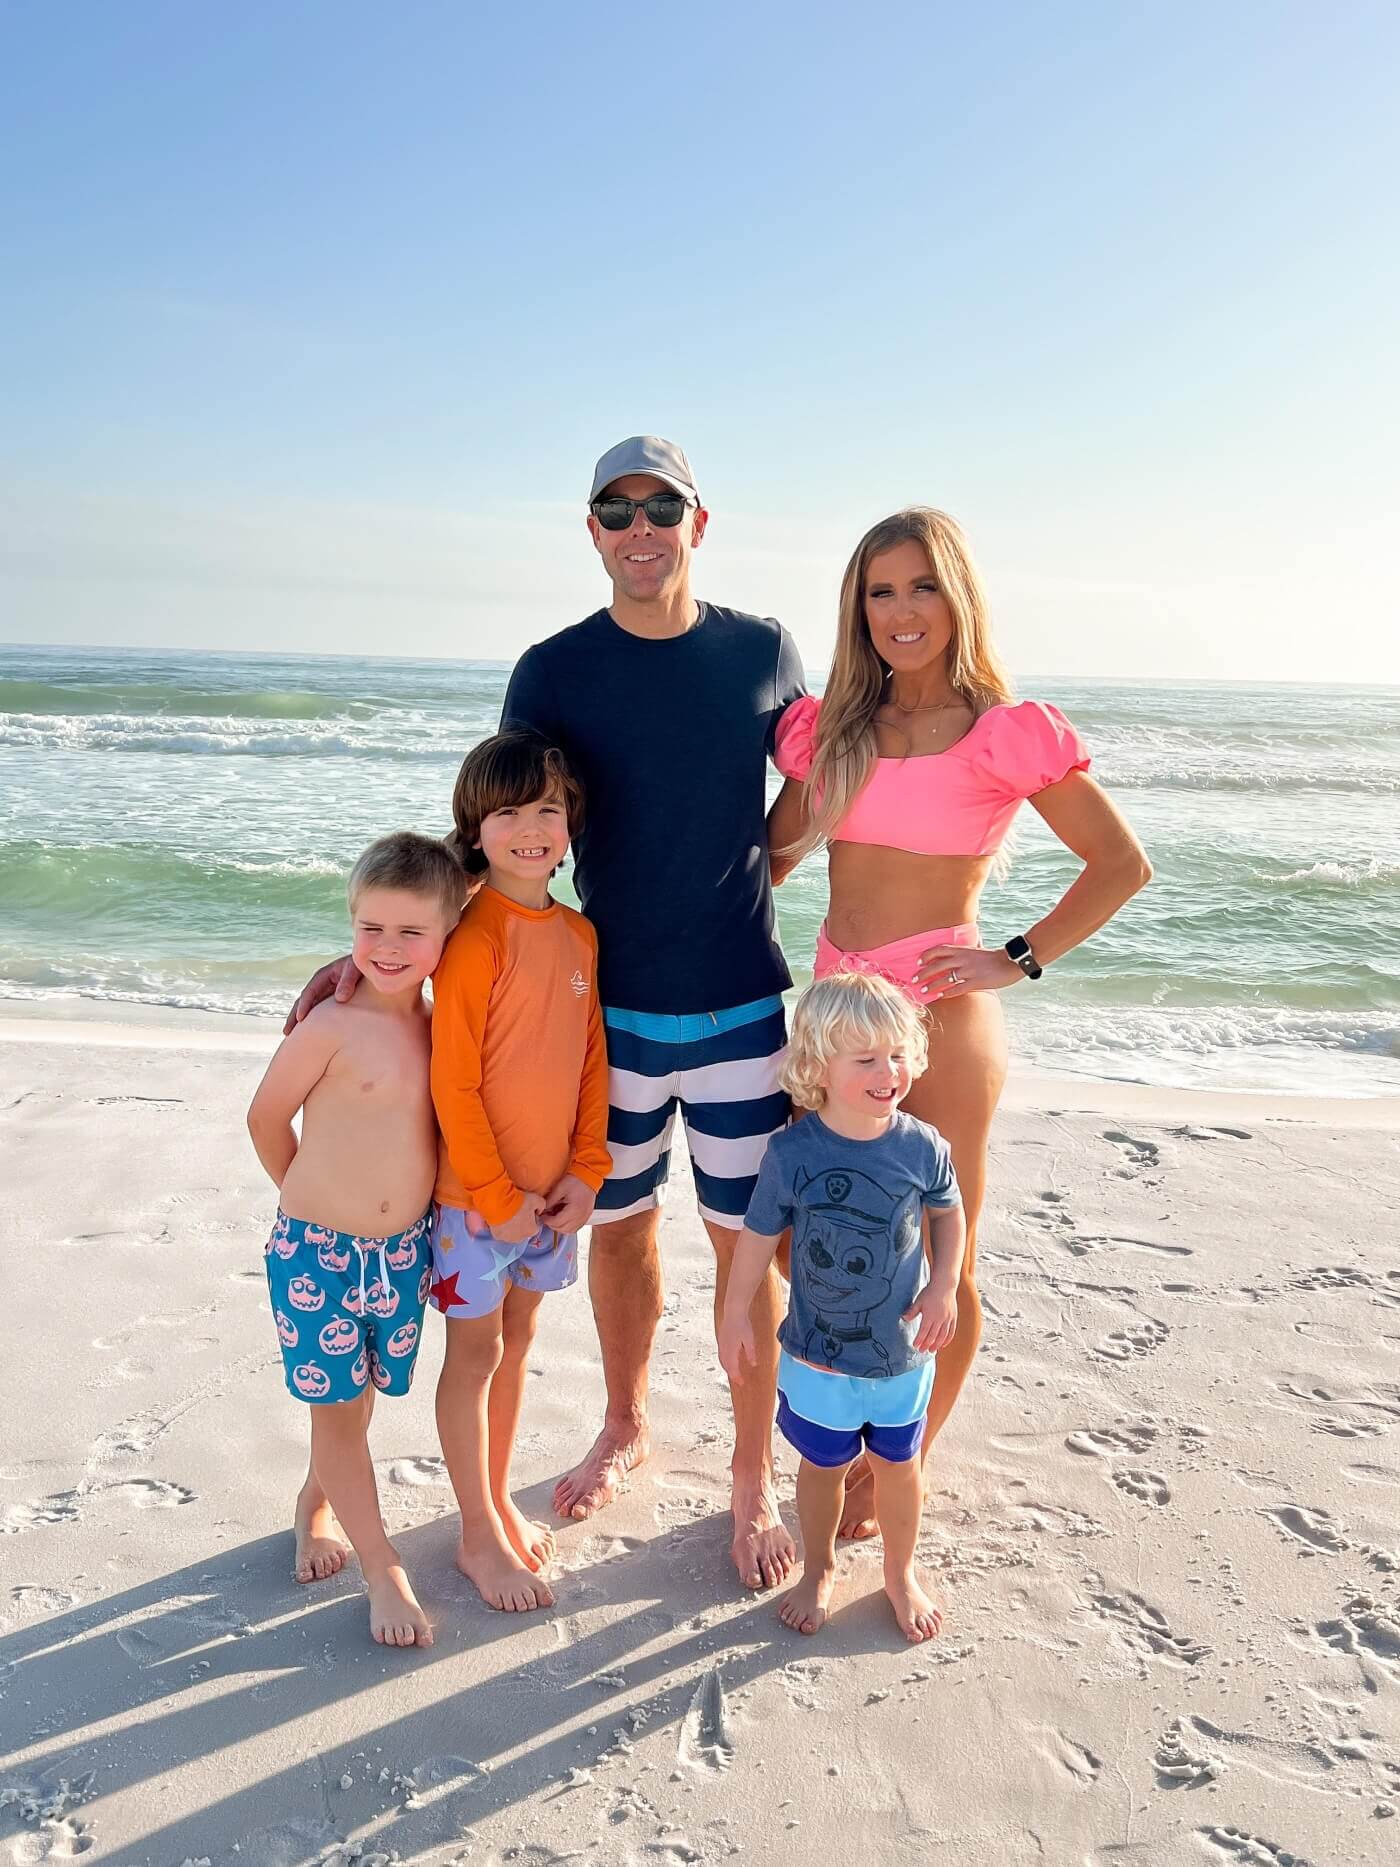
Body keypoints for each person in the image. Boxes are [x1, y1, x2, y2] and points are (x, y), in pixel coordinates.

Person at [767, 508, 1152, 1539]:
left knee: (943, 1251)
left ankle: (901, 1462)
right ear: (858, 607)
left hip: (938, 1018)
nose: (900, 611)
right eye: (880, 591)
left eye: (921, 587)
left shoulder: (1000, 732)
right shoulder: (829, 732)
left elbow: (1118, 865)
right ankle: (842, 1424)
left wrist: (1012, 957)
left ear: (956, 596)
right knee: (799, 1240)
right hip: (831, 1010)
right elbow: (765, 861)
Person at [498, 435, 807, 1589]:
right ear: (591, 532)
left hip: (738, 1004)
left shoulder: (761, 649)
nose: (639, 528)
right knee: (616, 1228)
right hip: (604, 1014)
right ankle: (625, 1423)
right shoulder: (552, 671)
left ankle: (751, 1474)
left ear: (696, 520)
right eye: (615, 510)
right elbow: (506, 832)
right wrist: (381, 959)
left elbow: (816, 778)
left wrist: (768, 863)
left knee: (745, 1245)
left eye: (659, 507)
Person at [248, 831, 465, 1648]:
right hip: (320, 1252)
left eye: (412, 931)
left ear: (447, 935)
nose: (388, 947)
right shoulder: (330, 1025)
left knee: (359, 1394)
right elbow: (266, 1117)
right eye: (371, 928)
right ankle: (383, 1569)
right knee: (339, 1411)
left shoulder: (442, 1028)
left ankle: (315, 1501)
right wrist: (308, 1204)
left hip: (404, 1251)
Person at [718, 973, 965, 1641]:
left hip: (901, 1355)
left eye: (897, 1053)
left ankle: (899, 1571)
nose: (889, 1072)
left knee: (898, 1468)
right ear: (816, 1066)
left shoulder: (921, 1145)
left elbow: (949, 1213)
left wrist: (944, 1285)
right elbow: (758, 1235)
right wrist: (736, 1311)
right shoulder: (793, 1152)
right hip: (817, 1356)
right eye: (866, 1059)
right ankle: (819, 1567)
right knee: (821, 1469)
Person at [429, 730, 611, 1612]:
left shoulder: (578, 934)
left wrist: (589, 1168)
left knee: (519, 1345)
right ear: (476, 828)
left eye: (548, 808)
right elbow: (452, 1081)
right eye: (509, 812)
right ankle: (474, 1532)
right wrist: (497, 1200)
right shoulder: (474, 938)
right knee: (474, 1354)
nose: (532, 827)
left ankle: (496, 1495)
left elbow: (590, 1063)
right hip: (477, 1204)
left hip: (552, 1200)